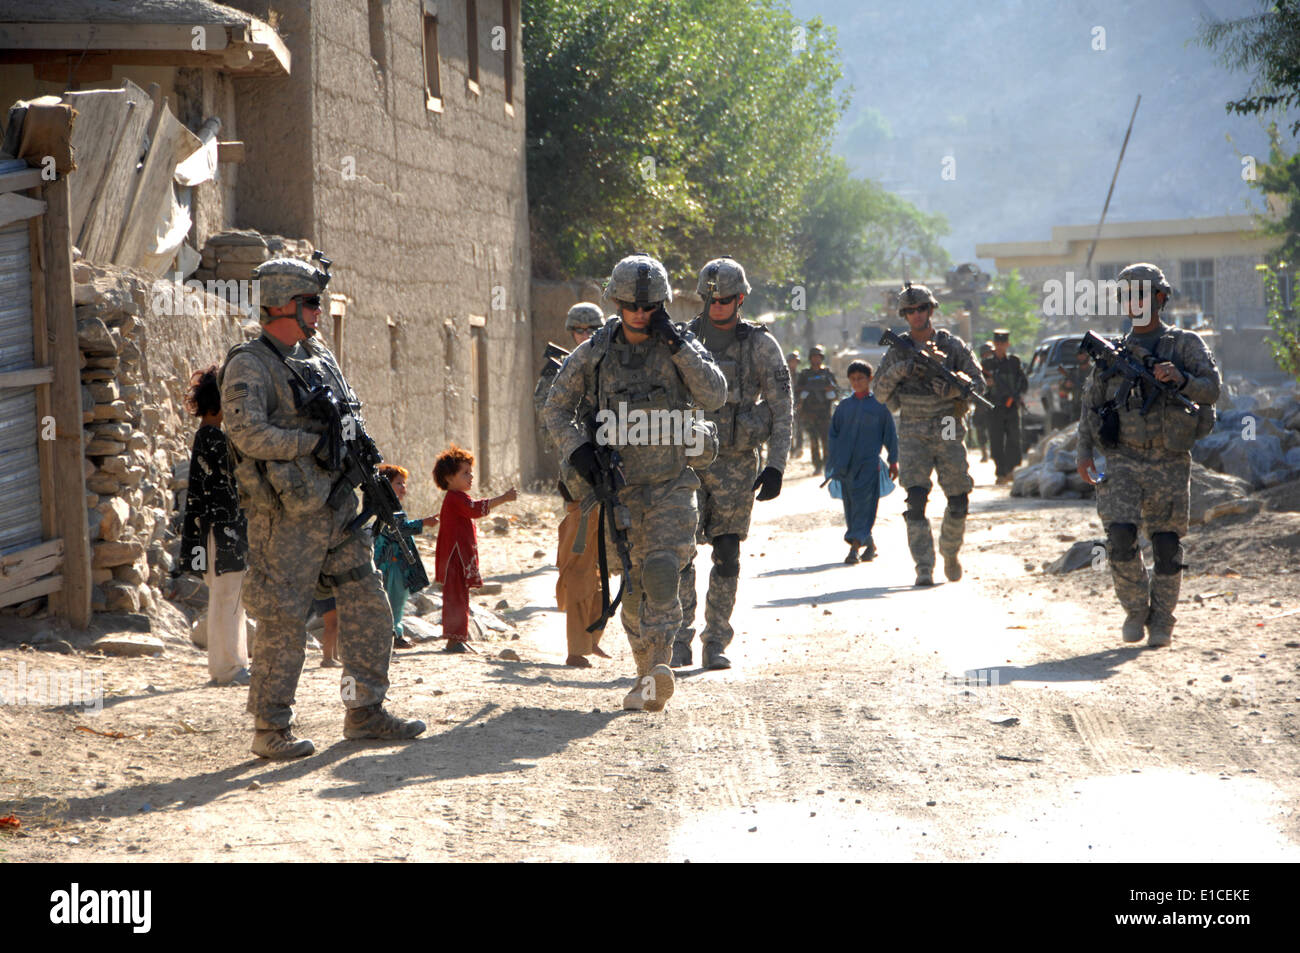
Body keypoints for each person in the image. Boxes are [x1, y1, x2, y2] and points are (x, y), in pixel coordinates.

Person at [220, 255, 425, 760]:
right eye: (311, 302)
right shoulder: (251, 364)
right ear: (283, 305)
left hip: (337, 507)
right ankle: (270, 729)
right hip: (285, 518)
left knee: (369, 606)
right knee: (284, 620)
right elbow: (246, 433)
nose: (317, 311)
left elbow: (347, 418)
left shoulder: (318, 356)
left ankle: (364, 712)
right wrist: (308, 443)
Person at [543, 253, 727, 711]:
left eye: (649, 307)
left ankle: (660, 664)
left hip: (670, 482)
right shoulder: (596, 351)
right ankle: (644, 672)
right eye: (631, 306)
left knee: (663, 571)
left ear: (662, 305)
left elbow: (715, 394)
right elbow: (556, 406)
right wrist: (579, 449)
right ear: (617, 302)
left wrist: (678, 346)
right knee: (632, 586)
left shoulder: (679, 344)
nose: (641, 315)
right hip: (616, 488)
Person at [1076, 262, 1220, 647]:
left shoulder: (1185, 344)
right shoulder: (1114, 351)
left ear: (1159, 297)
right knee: (1120, 537)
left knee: (1167, 545)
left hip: (1169, 458)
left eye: (1140, 294)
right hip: (1123, 457)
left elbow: (1212, 390)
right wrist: (1084, 452)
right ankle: (1136, 609)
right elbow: (1091, 405)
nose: (1133, 302)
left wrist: (1183, 379)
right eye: (1126, 295)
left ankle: (1162, 621)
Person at [672, 257, 793, 670]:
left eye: (725, 299)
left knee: (726, 553)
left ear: (740, 299)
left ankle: (715, 640)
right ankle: (678, 638)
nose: (717, 305)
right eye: (710, 299)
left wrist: (777, 465)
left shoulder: (760, 345)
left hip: (737, 463)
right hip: (688, 458)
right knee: (681, 552)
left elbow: (782, 407)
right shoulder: (683, 340)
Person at [873, 282, 985, 587]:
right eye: (910, 311)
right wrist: (901, 370)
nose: (916, 315)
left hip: (948, 424)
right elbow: (880, 394)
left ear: (931, 310)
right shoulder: (897, 351)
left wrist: (953, 386)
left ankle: (950, 551)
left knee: (959, 498)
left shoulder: (952, 346)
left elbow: (979, 384)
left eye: (921, 308)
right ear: (904, 315)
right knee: (916, 500)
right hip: (912, 430)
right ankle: (924, 565)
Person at [536, 303, 613, 667]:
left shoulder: (610, 366)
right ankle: (576, 647)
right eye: (578, 330)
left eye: (591, 329)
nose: (584, 336)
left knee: (606, 563)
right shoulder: (558, 373)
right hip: (581, 484)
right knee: (579, 564)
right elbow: (551, 425)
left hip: (614, 478)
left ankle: (592, 636)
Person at [176, 365, 249, 686]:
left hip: (217, 532)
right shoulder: (214, 439)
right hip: (221, 533)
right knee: (227, 598)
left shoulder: (209, 437)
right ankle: (226, 668)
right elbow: (225, 491)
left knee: (229, 598)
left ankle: (233, 663)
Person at [433, 445, 516, 654]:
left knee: (459, 595)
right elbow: (475, 509)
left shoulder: (457, 497)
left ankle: (457, 638)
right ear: (449, 478)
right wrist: (503, 498)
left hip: (458, 556)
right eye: (465, 473)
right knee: (456, 596)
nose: (470, 477)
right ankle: (454, 640)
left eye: (471, 472)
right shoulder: (455, 498)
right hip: (455, 557)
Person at [827, 361, 898, 564]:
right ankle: (869, 544)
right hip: (846, 467)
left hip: (869, 467)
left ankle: (854, 548)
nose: (857, 382)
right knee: (851, 507)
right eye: (853, 379)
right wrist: (833, 463)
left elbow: (890, 436)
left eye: (861, 378)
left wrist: (893, 461)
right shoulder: (843, 407)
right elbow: (833, 436)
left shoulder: (879, 406)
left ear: (870, 379)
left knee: (865, 506)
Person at [373, 464, 437, 649]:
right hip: (392, 566)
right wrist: (424, 523)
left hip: (396, 564)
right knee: (394, 600)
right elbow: (397, 530)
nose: (403, 488)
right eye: (398, 483)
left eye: (404, 483)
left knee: (397, 601)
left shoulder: (390, 509)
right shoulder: (386, 511)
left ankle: (393, 634)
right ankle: (393, 635)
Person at [981, 329, 1028, 485]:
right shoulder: (987, 364)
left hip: (1011, 406)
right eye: (998, 343)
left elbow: (1023, 382)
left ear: (1008, 344)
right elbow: (978, 385)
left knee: (1014, 438)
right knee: (996, 440)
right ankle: (1000, 471)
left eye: (1003, 344)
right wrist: (987, 385)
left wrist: (1018, 394)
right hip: (994, 407)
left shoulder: (1014, 362)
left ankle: (1011, 470)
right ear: (994, 344)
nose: (1000, 346)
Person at [796, 346, 838, 472]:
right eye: (814, 357)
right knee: (813, 441)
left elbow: (835, 390)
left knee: (826, 440)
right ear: (810, 358)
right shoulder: (805, 374)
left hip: (824, 412)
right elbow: (797, 389)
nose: (816, 359)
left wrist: (828, 389)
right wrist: (807, 389)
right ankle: (817, 465)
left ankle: (827, 464)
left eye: (818, 357)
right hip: (809, 413)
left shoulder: (827, 373)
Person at [969, 341, 994, 461]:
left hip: (995, 403)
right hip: (981, 404)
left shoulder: (998, 366)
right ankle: (984, 453)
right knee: (980, 430)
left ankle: (994, 453)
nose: (988, 356)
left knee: (994, 430)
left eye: (990, 353)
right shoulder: (978, 368)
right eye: (987, 354)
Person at [786, 350, 803, 459]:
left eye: (795, 362)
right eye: (792, 362)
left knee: (800, 427)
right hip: (787, 405)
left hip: (799, 404)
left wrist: (800, 402)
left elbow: (803, 390)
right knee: (789, 428)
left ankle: (799, 448)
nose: (794, 364)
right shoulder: (784, 375)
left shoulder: (800, 376)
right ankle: (791, 449)